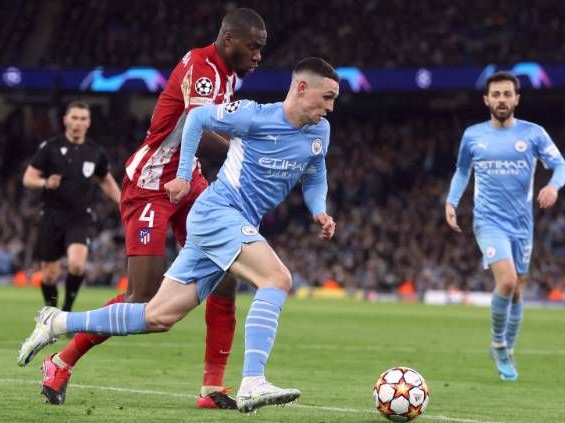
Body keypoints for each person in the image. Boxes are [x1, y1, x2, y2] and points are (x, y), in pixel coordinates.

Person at [18, 57, 339, 413]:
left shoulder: (319, 132)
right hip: (219, 213)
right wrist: (184, 174)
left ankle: (57, 321)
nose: (330, 107)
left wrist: (318, 209)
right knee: (276, 279)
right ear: (301, 88)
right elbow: (198, 118)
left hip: (227, 223)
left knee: (157, 315)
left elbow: (315, 172)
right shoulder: (254, 116)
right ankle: (252, 382)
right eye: (326, 97)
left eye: (334, 99)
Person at [32, 8, 267, 408]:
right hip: (151, 185)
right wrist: (248, 152)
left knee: (227, 273)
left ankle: (212, 387)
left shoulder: (228, 73)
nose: (259, 56)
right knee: (143, 297)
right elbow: (201, 130)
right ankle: (60, 359)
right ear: (230, 40)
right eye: (254, 47)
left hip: (187, 180)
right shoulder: (202, 67)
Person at [445, 71, 565, 381]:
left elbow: (562, 166)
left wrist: (553, 186)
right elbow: (462, 172)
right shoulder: (473, 135)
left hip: (522, 224)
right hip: (488, 221)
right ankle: (498, 344)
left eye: (507, 94)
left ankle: (509, 350)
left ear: (517, 99)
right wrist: (451, 202)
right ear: (486, 99)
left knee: (517, 292)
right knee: (508, 281)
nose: (502, 99)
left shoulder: (533, 134)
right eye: (496, 94)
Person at [23, 101, 121, 313]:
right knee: (49, 275)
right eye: (74, 118)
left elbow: (105, 179)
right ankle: (50, 312)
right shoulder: (50, 148)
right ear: (65, 120)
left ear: (89, 122)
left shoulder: (95, 152)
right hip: (52, 215)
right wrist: (45, 183)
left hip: (79, 216)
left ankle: (66, 310)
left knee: (77, 265)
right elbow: (28, 178)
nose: (78, 123)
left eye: (82, 118)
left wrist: (122, 201)